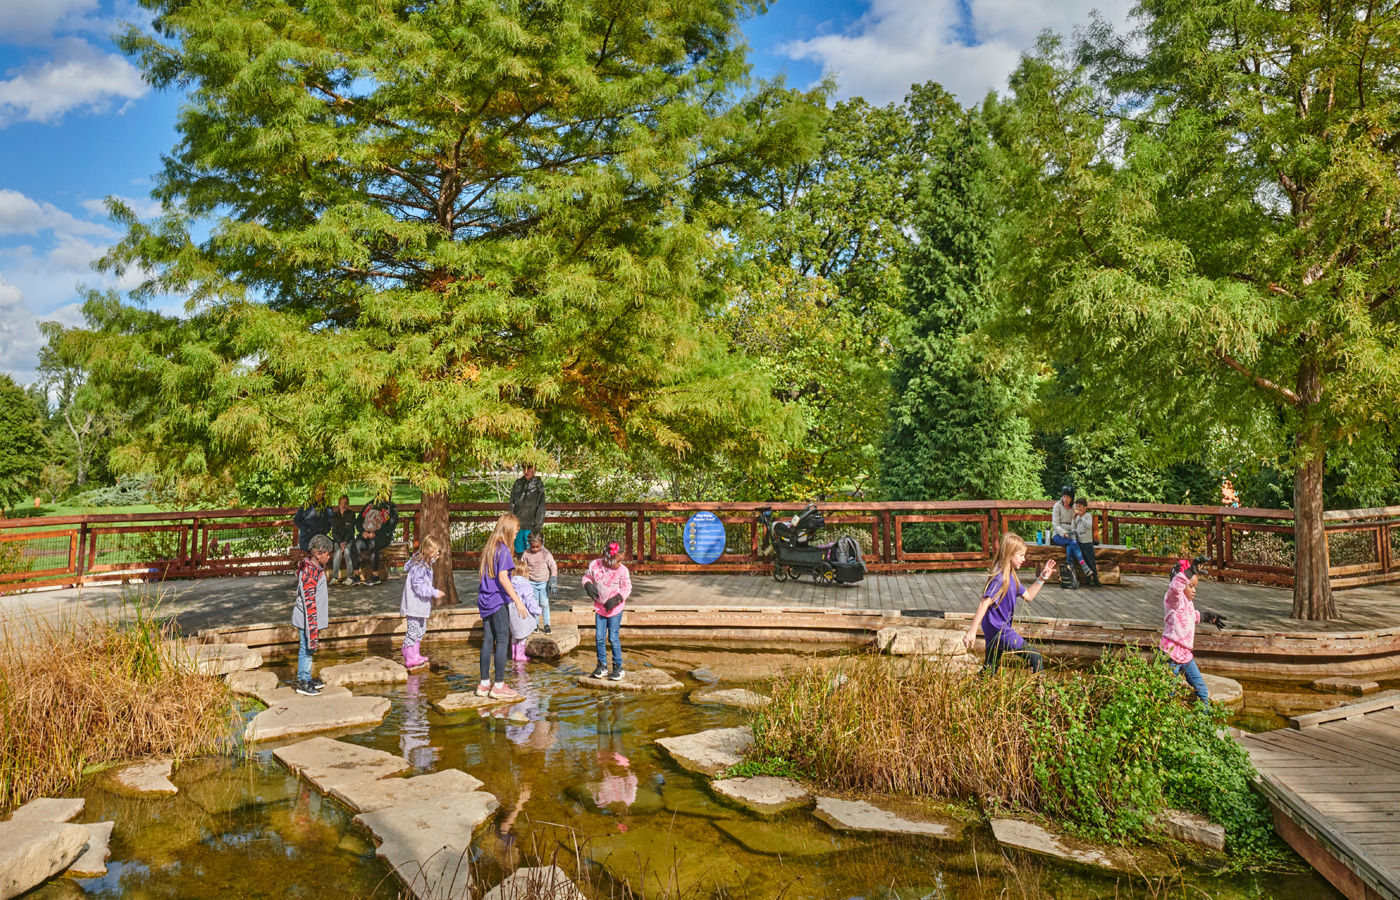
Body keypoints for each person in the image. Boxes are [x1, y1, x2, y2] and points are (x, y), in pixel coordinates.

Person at [963, 532, 1056, 674]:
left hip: (995, 628)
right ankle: (1042, 694)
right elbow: (984, 603)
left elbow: (1029, 596)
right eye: (1021, 555)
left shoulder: (1012, 575)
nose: (1024, 559)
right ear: (1010, 554)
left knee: (990, 669)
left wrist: (1042, 578)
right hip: (999, 630)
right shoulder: (1000, 578)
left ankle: (967, 694)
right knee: (1035, 656)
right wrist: (972, 631)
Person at [477, 513, 530, 700]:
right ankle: (498, 685)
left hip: (484, 599)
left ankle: (484, 684)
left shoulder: (490, 548)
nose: (516, 535)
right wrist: (518, 600)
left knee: (488, 640)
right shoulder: (504, 551)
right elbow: (502, 578)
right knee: (502, 639)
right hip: (497, 600)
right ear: (508, 530)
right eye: (515, 531)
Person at [1161, 556, 1227, 705]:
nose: (1194, 590)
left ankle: (1204, 725)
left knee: (1202, 692)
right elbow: (1175, 587)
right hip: (1170, 654)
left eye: (1195, 586)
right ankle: (1167, 725)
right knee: (1167, 694)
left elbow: (1191, 616)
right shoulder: (1173, 600)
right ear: (1182, 582)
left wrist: (1207, 617)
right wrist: (1189, 572)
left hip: (1185, 655)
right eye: (1191, 586)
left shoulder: (1188, 603)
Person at [291, 533, 333, 695]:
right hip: (307, 618)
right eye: (327, 554)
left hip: (311, 618)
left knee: (309, 649)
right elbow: (309, 602)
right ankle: (303, 681)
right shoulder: (309, 572)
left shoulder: (315, 569)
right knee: (306, 649)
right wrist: (312, 626)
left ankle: (307, 676)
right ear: (318, 554)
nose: (329, 557)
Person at [584, 541, 632, 681]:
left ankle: (618, 666)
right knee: (599, 637)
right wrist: (587, 585)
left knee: (613, 637)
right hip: (600, 608)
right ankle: (602, 665)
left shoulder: (622, 570)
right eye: (617, 561)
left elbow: (626, 588)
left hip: (615, 609)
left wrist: (617, 599)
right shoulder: (595, 565)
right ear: (607, 558)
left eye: (621, 561)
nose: (619, 564)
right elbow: (587, 576)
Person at [400, 536, 445, 669]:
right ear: (428, 550)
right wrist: (433, 592)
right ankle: (409, 657)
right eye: (436, 551)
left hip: (420, 605)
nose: (438, 553)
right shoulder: (420, 565)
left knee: (420, 629)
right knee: (413, 631)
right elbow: (418, 586)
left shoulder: (424, 562)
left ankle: (416, 654)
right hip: (414, 604)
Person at [1050, 486, 1092, 589]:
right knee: (1071, 541)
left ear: (1072, 498)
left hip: (1071, 533)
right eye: (1064, 497)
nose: (1065, 499)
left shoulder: (1074, 507)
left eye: (1068, 497)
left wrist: (1072, 531)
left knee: (1071, 545)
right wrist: (1065, 534)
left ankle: (1071, 573)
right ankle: (1083, 565)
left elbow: (1076, 524)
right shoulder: (1057, 506)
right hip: (1058, 534)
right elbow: (1055, 525)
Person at [520, 530, 558, 634]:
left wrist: (553, 579)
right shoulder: (526, 554)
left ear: (542, 543)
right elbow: (522, 567)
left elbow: (553, 565)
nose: (535, 549)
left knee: (544, 603)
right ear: (529, 544)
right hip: (531, 582)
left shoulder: (545, 553)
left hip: (543, 583)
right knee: (534, 603)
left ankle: (546, 624)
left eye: (537, 547)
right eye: (533, 547)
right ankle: (534, 624)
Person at [509, 464, 546, 554]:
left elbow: (541, 507)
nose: (526, 471)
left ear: (534, 468)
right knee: (519, 554)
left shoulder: (538, 485)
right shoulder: (517, 484)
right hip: (518, 527)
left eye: (528, 468)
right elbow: (512, 504)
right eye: (523, 468)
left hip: (532, 527)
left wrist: (537, 527)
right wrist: (511, 522)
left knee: (533, 554)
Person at [508, 572, 541, 660]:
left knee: (515, 635)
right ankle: (520, 655)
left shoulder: (509, 583)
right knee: (522, 636)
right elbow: (529, 600)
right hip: (522, 614)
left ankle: (514, 654)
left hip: (512, 613)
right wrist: (538, 610)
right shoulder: (525, 584)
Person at [354, 501, 386, 586]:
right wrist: (362, 532)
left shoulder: (388, 507)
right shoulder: (369, 505)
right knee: (356, 544)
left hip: (377, 536)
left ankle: (375, 576)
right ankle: (356, 575)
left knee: (373, 545)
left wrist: (376, 533)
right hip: (364, 535)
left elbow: (387, 527)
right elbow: (358, 521)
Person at [1072, 497, 1101, 587]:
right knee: (1084, 561)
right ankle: (1089, 579)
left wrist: (1082, 518)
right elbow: (1074, 527)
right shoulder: (1077, 518)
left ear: (1085, 507)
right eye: (1077, 506)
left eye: (1080, 506)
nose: (1078, 508)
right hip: (1080, 542)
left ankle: (1096, 578)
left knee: (1090, 561)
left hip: (1087, 542)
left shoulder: (1088, 516)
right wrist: (1074, 519)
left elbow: (1089, 526)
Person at [329, 494, 357, 584]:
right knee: (337, 553)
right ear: (339, 504)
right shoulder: (335, 516)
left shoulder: (351, 515)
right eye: (342, 503)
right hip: (338, 541)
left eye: (345, 503)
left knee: (347, 552)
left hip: (348, 540)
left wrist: (345, 542)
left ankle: (350, 577)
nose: (343, 505)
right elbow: (334, 532)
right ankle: (335, 577)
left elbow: (351, 531)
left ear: (348, 504)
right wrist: (340, 542)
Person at [292, 486, 331, 552]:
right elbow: (297, 519)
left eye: (323, 491)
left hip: (320, 537)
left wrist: (325, 530)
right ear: (315, 492)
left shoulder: (326, 505)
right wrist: (307, 528)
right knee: (319, 549)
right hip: (307, 538)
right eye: (319, 491)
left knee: (330, 546)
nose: (321, 493)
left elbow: (330, 519)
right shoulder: (307, 505)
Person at [372, 496, 400, 578]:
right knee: (362, 543)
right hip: (372, 534)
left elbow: (391, 526)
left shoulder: (392, 508)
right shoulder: (373, 505)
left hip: (385, 537)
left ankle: (375, 574)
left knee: (374, 545)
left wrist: (377, 532)